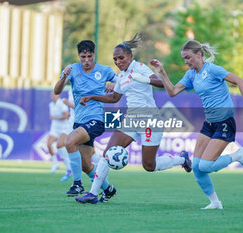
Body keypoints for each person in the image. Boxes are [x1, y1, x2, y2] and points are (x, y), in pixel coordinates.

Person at [76, 33, 192, 204]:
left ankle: (182, 159)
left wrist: (144, 78)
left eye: (121, 58)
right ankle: (94, 194)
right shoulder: (121, 76)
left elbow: (161, 83)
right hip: (132, 118)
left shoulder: (140, 68)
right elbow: (114, 98)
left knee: (149, 166)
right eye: (115, 59)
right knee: (108, 154)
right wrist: (93, 96)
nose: (118, 62)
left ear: (130, 56)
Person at [149, 40, 243, 209]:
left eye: (188, 57)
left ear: (199, 55)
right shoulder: (191, 75)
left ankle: (238, 155)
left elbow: (240, 82)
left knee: (206, 165)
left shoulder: (213, 70)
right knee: (198, 168)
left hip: (224, 122)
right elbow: (172, 92)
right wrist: (162, 72)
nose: (186, 61)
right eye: (184, 58)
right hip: (209, 123)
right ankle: (215, 203)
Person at [54, 40, 117, 200]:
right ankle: (108, 189)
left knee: (69, 142)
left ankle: (77, 183)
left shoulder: (104, 70)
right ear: (79, 56)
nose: (87, 60)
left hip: (96, 119)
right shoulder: (72, 69)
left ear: (94, 55)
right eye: (83, 57)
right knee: (85, 164)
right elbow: (57, 90)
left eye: (89, 56)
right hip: (79, 121)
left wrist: (114, 84)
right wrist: (64, 77)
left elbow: (121, 81)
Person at [47, 92, 71, 178]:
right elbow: (51, 116)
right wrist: (54, 119)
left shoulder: (61, 103)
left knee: (62, 146)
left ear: (58, 95)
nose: (52, 96)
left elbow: (66, 115)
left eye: (54, 94)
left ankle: (69, 167)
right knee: (49, 144)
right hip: (54, 127)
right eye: (51, 94)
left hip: (63, 127)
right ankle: (55, 163)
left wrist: (56, 118)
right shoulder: (51, 104)